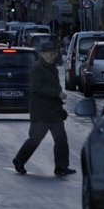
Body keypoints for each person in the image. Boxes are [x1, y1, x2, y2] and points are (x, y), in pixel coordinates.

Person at [12, 42, 74, 176]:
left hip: (54, 112)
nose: (53, 56)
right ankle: (19, 161)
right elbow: (38, 88)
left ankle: (61, 167)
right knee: (35, 139)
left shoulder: (53, 68)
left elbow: (56, 88)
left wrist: (60, 106)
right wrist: (56, 94)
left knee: (61, 139)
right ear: (43, 54)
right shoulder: (37, 69)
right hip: (41, 112)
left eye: (54, 54)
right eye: (51, 54)